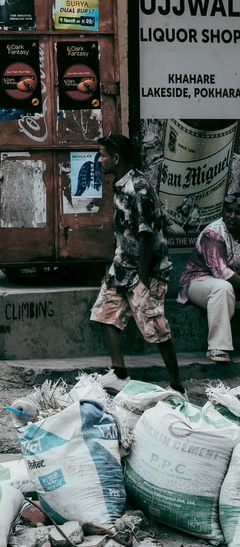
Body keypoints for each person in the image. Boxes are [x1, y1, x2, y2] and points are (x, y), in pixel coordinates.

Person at [91, 132, 185, 391]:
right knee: (105, 314)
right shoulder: (121, 184)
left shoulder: (139, 188)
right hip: (121, 268)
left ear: (117, 158)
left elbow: (147, 236)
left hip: (146, 272)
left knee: (156, 328)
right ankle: (120, 375)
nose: (100, 160)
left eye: (103, 155)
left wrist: (143, 278)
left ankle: (178, 387)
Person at [177, 218, 239, 364]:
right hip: (197, 281)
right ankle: (217, 347)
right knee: (222, 288)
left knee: (225, 288)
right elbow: (221, 272)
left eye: (238, 212)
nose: (232, 216)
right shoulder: (213, 233)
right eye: (228, 211)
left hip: (232, 284)